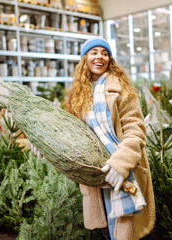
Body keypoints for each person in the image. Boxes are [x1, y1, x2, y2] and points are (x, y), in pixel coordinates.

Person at [63, 36, 155, 240]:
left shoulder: (122, 91)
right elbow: (68, 135)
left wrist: (121, 164)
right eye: (94, 52)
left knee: (125, 229)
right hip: (96, 174)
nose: (100, 57)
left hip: (123, 172)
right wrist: (43, 147)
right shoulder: (78, 96)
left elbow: (136, 130)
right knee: (107, 229)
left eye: (104, 53)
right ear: (84, 59)